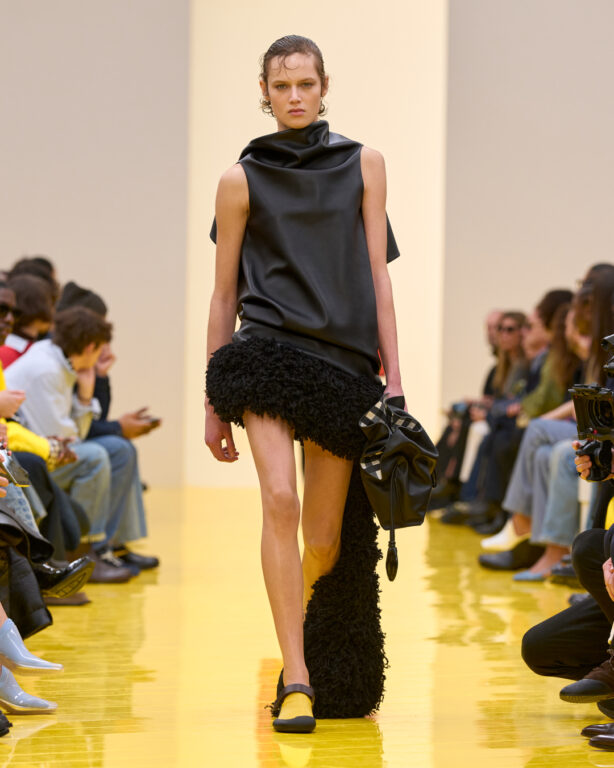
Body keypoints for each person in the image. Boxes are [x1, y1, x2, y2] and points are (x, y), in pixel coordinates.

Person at [204, 35, 402, 733]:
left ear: (324, 87)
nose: (294, 96)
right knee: (280, 501)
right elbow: (223, 294)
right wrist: (212, 401)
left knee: (323, 538)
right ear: (264, 92)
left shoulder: (365, 164)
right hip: (265, 354)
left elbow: (378, 278)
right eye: (282, 85)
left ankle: (309, 646)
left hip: (343, 366)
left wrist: (396, 385)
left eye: (306, 84)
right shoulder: (240, 179)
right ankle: (296, 677)